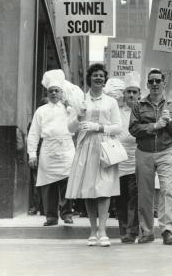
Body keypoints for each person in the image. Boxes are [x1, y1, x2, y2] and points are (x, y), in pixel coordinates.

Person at [66, 63, 122, 247]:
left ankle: (103, 231)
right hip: (86, 147)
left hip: (105, 147)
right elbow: (70, 128)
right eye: (95, 75)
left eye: (101, 76)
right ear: (89, 78)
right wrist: (79, 116)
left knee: (104, 190)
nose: (98, 78)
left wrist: (99, 127)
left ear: (104, 79)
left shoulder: (111, 102)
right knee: (90, 190)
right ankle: (92, 230)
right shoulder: (81, 101)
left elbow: (118, 127)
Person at [129, 68, 172, 245]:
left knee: (167, 190)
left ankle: (167, 230)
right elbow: (133, 129)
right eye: (151, 81)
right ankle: (146, 231)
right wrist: (154, 126)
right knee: (145, 193)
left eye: (157, 81)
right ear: (146, 85)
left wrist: (170, 122)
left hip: (167, 151)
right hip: (144, 152)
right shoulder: (139, 106)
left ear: (163, 84)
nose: (154, 84)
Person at [27, 70, 75, 226]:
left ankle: (67, 214)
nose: (54, 93)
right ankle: (51, 217)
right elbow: (34, 133)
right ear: (47, 93)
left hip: (66, 148)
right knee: (48, 186)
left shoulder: (69, 109)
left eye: (57, 90)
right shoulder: (41, 111)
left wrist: (72, 109)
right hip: (48, 149)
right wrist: (32, 154)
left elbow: (77, 126)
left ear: (61, 92)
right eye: (51, 91)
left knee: (67, 182)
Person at [106, 73, 141, 243]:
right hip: (119, 160)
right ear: (124, 94)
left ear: (139, 94)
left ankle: (132, 231)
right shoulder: (117, 112)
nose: (132, 95)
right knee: (121, 198)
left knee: (135, 197)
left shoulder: (143, 111)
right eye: (129, 92)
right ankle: (123, 229)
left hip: (137, 160)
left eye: (135, 92)